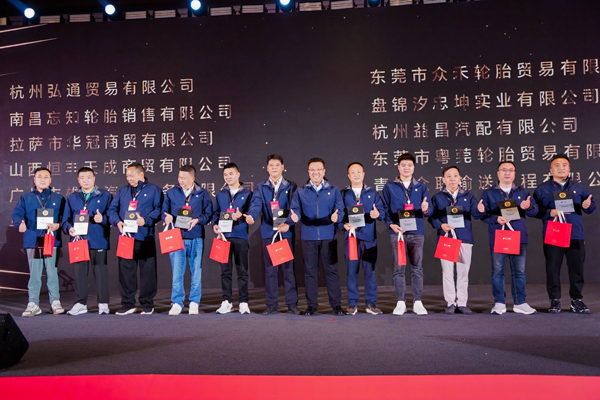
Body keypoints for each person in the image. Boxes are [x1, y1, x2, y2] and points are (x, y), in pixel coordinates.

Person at [533, 154, 596, 314]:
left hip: (575, 234)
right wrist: (549, 212)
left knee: (576, 268)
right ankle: (554, 300)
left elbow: (591, 207)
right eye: (557, 165)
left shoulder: (579, 188)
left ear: (569, 169)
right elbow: (534, 210)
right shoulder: (542, 189)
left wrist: (587, 205)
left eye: (564, 165)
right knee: (552, 268)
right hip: (554, 233)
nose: (561, 168)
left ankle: (577, 300)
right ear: (550, 169)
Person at [478, 161, 538, 315]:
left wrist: (528, 207)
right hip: (499, 236)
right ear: (498, 173)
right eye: (504, 170)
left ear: (514, 173)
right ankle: (499, 303)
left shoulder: (523, 192)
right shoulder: (489, 193)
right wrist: (495, 218)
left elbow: (534, 212)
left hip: (518, 236)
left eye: (510, 170)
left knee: (519, 272)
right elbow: (482, 215)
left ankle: (520, 303)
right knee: (497, 271)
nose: (507, 173)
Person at [245, 154, 301, 315]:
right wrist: (251, 216)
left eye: (277, 165)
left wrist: (289, 222)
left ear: (282, 167)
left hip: (285, 231)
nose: (274, 167)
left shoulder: (291, 186)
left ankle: (292, 304)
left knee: (288, 269)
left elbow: (294, 207)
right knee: (270, 270)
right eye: (271, 165)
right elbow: (256, 204)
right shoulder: (261, 187)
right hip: (269, 232)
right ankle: (271, 304)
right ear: (267, 168)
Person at [290, 157, 345, 316]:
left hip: (329, 236)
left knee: (332, 271)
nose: (316, 172)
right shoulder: (300, 191)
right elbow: (295, 209)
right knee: (310, 272)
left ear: (324, 171)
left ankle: (336, 305)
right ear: (308, 172)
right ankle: (311, 305)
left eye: (319, 169)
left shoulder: (334, 189)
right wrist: (295, 217)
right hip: (308, 236)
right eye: (312, 170)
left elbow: (340, 209)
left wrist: (337, 216)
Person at [107, 163, 163, 315]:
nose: (129, 178)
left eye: (131, 175)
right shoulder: (123, 191)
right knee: (125, 273)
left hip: (145, 236)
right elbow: (112, 210)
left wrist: (145, 220)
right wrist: (117, 222)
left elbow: (159, 210)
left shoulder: (154, 190)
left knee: (148, 273)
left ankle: (147, 304)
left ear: (141, 174)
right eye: (127, 176)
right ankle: (128, 304)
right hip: (126, 237)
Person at [381, 153, 432, 316]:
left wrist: (426, 209)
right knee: (399, 268)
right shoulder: (390, 187)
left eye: (409, 165)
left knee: (417, 268)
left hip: (417, 232)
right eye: (403, 165)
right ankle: (400, 302)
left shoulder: (421, 187)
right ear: (398, 167)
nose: (406, 168)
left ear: (414, 167)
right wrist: (391, 224)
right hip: (398, 233)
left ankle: (417, 302)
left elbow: (430, 210)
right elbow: (384, 209)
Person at [12, 167, 66, 317]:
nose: (43, 179)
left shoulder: (58, 198)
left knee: (52, 273)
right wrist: (19, 223)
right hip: (33, 239)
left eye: (46, 177)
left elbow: (65, 218)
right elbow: (17, 214)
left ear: (50, 180)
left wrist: (58, 225)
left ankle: (55, 302)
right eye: (39, 176)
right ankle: (33, 303)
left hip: (51, 240)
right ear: (34, 179)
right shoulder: (26, 198)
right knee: (35, 275)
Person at [429, 165, 482, 315]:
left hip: (464, 238)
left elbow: (477, 214)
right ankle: (450, 303)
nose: (452, 179)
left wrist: (480, 210)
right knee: (447, 273)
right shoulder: (438, 197)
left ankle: (462, 303)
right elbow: (432, 217)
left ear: (460, 178)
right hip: (446, 238)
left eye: (455, 175)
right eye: (449, 176)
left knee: (463, 273)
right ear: (443, 179)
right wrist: (441, 225)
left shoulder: (468, 196)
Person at [162, 165, 213, 316]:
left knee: (196, 271)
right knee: (177, 272)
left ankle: (194, 302)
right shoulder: (171, 192)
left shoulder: (202, 193)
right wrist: (167, 217)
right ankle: (177, 302)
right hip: (177, 237)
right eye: (179, 177)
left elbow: (208, 214)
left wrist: (197, 220)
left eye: (184, 178)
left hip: (196, 237)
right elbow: (164, 211)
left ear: (193, 178)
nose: (181, 180)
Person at [62, 167, 113, 315]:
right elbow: (65, 220)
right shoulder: (72, 197)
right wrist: (69, 228)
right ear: (78, 180)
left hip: (98, 239)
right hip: (79, 240)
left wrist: (103, 219)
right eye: (82, 177)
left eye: (88, 177)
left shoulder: (105, 195)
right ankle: (80, 303)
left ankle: (103, 303)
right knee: (79, 273)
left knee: (101, 272)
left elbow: (113, 217)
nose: (85, 180)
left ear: (94, 178)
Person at [339, 162, 385, 315]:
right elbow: (339, 215)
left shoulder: (372, 193)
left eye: (359, 171)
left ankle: (371, 303)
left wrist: (378, 214)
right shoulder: (343, 194)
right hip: (351, 238)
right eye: (353, 172)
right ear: (348, 175)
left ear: (364, 174)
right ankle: (352, 303)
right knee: (351, 271)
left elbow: (382, 212)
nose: (356, 174)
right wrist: (343, 225)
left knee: (370, 272)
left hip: (369, 238)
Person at [211, 163, 253, 314]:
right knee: (225, 272)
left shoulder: (248, 194)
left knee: (242, 272)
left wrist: (241, 215)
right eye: (225, 174)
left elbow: (252, 213)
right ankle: (227, 302)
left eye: (231, 173)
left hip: (240, 236)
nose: (228, 177)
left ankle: (243, 302)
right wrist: (214, 225)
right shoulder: (221, 195)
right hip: (224, 237)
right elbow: (215, 214)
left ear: (238, 174)